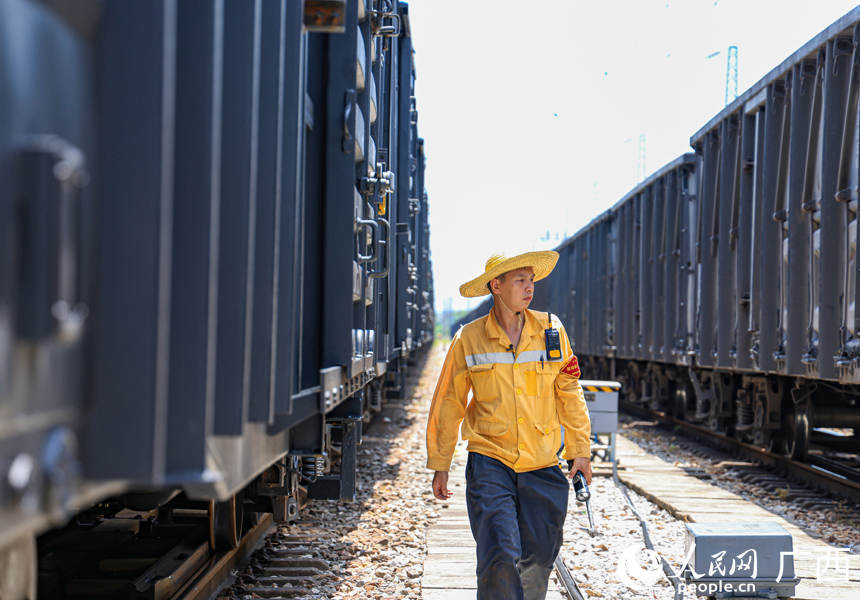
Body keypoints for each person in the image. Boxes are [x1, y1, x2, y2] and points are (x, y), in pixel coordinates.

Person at [426, 250, 592, 600]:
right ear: (496, 286)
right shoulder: (468, 339)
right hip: (490, 461)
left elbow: (569, 393)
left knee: (540, 556)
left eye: (531, 280)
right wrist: (440, 463)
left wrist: (580, 451)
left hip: (543, 462)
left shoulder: (551, 330)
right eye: (520, 280)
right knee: (499, 552)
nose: (529, 287)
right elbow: (448, 403)